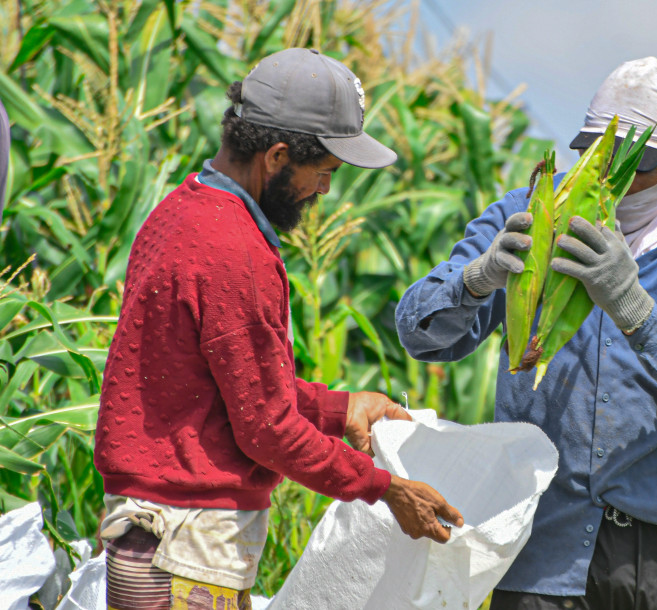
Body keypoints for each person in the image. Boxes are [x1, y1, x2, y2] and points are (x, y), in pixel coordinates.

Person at [94, 48, 463, 610]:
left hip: (153, 536)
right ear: (278, 155)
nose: (325, 192)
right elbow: (266, 428)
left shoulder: (180, 209)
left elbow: (232, 389)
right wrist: (386, 490)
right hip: (185, 547)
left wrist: (344, 410)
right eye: (325, 174)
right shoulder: (233, 247)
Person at [396, 57, 657, 609]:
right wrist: (480, 278)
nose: (616, 182)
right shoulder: (527, 215)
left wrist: (630, 302)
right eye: (600, 158)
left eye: (639, 167)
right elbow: (420, 333)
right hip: (545, 550)